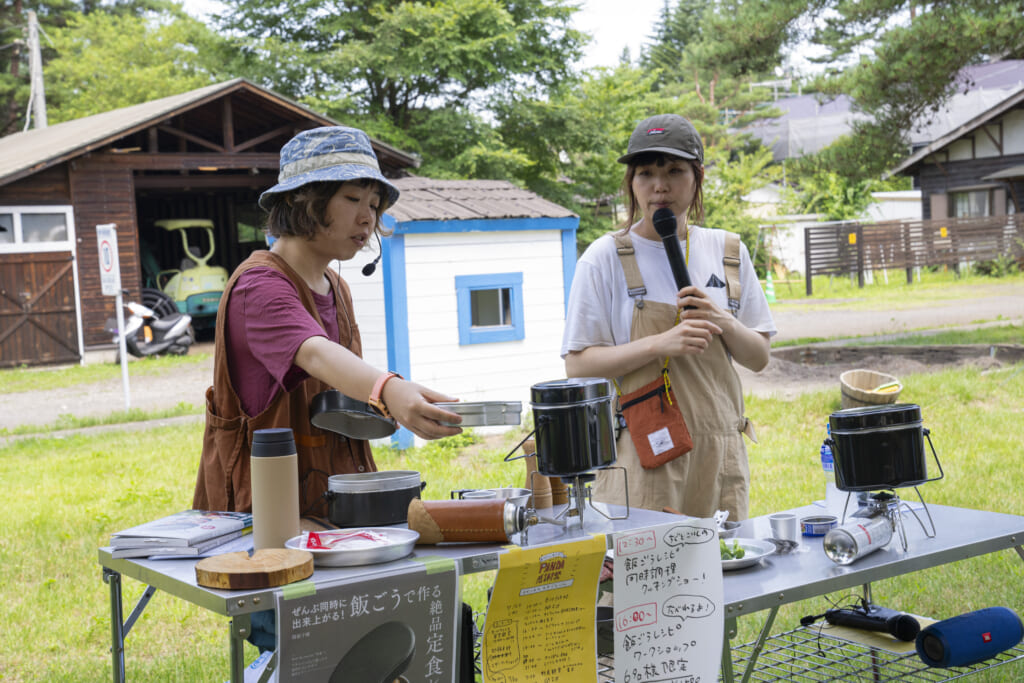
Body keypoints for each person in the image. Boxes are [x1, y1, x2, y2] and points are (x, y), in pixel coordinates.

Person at [193, 125, 463, 518]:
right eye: (352, 198)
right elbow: (316, 356)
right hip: (261, 520)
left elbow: (343, 393)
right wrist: (391, 390)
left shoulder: (337, 287)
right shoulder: (258, 287)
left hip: (334, 502)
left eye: (373, 204)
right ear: (304, 201)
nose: (367, 218)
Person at [560, 113, 776, 521]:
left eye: (674, 171)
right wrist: (660, 344)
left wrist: (723, 322)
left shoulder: (728, 251)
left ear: (698, 177)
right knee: (643, 577)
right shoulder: (604, 257)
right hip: (645, 451)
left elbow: (759, 357)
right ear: (631, 183)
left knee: (723, 576)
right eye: (645, 173)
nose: (660, 186)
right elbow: (578, 365)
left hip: (720, 452)